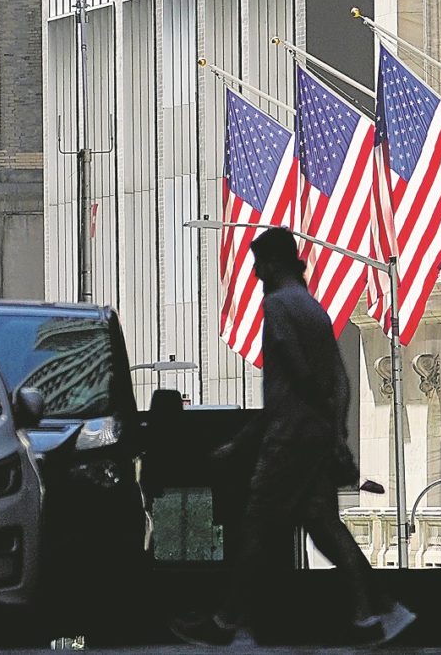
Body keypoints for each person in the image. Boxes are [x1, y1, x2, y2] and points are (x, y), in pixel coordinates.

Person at [171, 227, 414, 646]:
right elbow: (339, 381)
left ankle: (230, 623)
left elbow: (295, 375)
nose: (254, 273)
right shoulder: (313, 310)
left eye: (257, 264)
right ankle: (380, 612)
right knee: (323, 528)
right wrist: (334, 431)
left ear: (272, 264)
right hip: (314, 438)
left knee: (257, 526)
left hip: (289, 440)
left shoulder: (280, 306)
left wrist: (248, 440)